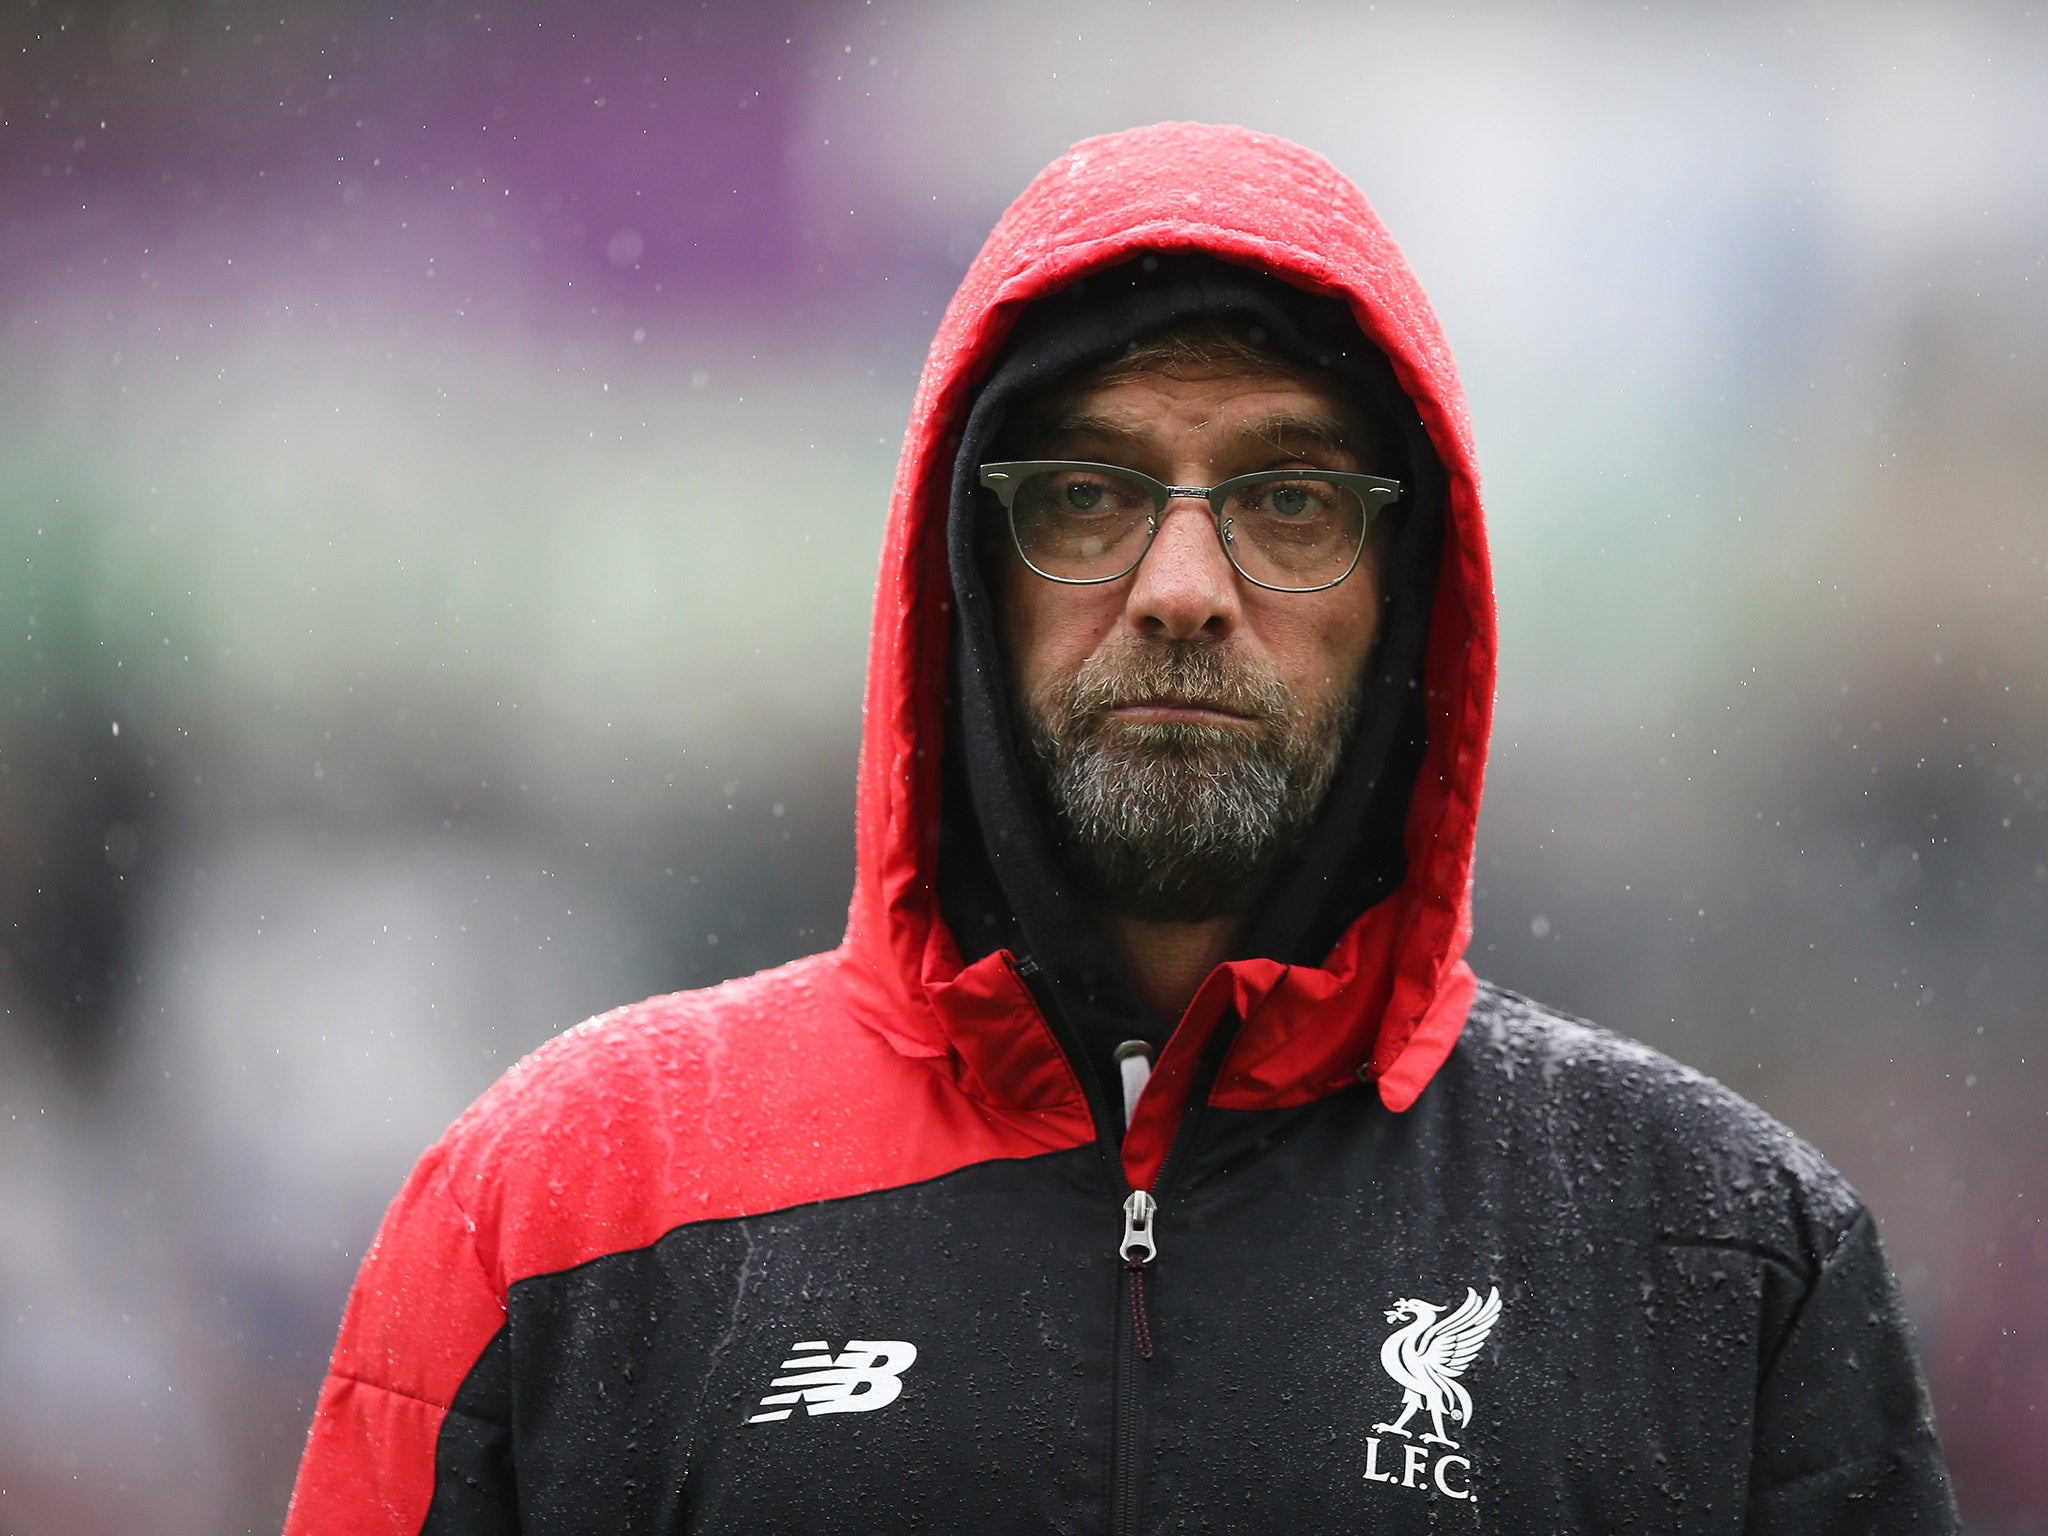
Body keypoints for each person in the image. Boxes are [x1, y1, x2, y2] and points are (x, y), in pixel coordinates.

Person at [284, 123, 1954, 1533]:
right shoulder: (567, 1211)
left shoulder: (1719, 1256)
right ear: (967, 576)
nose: (1180, 591)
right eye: (1086, 493)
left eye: (1288, 499)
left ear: (1410, 593)